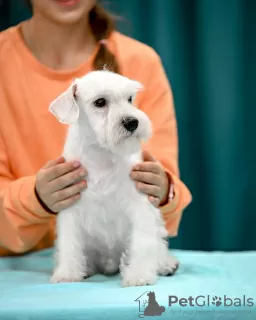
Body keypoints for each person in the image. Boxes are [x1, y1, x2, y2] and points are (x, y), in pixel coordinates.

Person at [0, 0, 192, 256]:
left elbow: (168, 190)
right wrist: (35, 198)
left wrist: (162, 189)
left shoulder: (141, 62)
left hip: (118, 262)